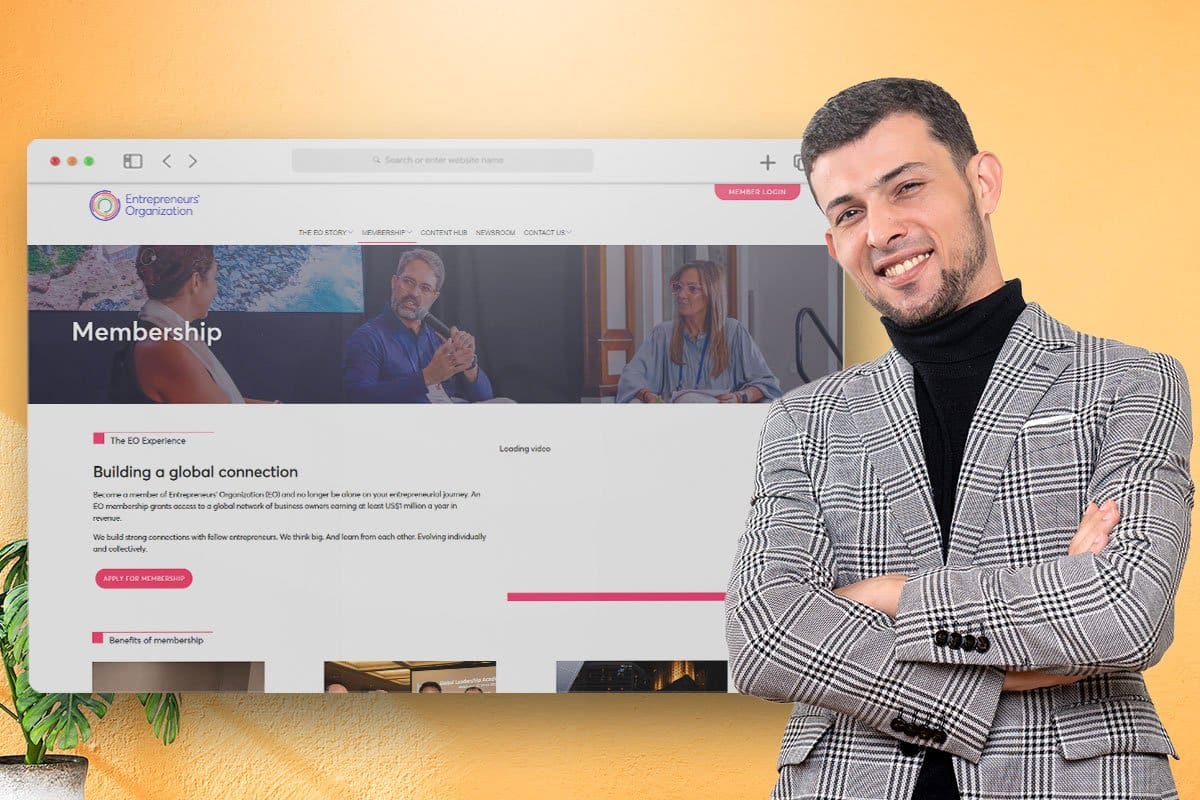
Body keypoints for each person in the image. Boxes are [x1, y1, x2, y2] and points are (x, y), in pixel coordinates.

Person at [725, 78, 1192, 800]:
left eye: (906, 187)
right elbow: (764, 636)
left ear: (983, 181)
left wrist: (882, 594)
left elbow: (1125, 613)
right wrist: (1024, 657)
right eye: (849, 212)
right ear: (832, 241)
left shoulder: (1133, 382)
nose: (880, 231)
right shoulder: (803, 421)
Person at [110, 245, 268, 403]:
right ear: (196, 282)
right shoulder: (163, 348)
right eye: (214, 279)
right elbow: (227, 420)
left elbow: (215, 399)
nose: (215, 289)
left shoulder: (156, 334)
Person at [616, 260, 781, 403]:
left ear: (711, 294)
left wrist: (740, 397)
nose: (681, 294)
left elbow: (766, 382)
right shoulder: (662, 333)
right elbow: (631, 375)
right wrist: (647, 396)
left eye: (692, 289)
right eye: (678, 287)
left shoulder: (734, 331)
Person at [342, 248, 495, 403]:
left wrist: (470, 364)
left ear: (434, 297)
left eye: (425, 288)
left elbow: (484, 398)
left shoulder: (440, 338)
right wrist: (427, 377)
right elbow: (359, 398)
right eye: (408, 282)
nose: (414, 293)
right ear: (394, 282)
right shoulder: (366, 338)